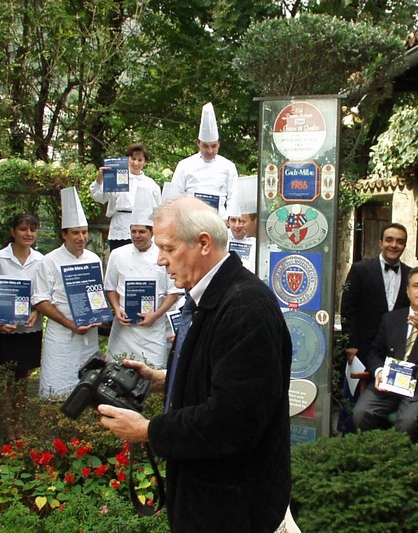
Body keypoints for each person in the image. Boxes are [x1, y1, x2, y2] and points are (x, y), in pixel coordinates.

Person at [98, 197, 292, 532]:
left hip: (232, 507)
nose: (160, 260)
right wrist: (165, 379)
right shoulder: (214, 296)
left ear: (203, 243)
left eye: (168, 248)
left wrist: (147, 431)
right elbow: (221, 372)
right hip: (209, 496)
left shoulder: (245, 308)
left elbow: (232, 421)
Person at [352, 266, 418, 443]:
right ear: (407, 291)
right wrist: (379, 372)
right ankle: (375, 459)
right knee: (361, 413)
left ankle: (404, 467)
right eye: (416, 285)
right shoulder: (391, 318)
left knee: (408, 421)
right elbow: (374, 352)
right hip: (389, 384)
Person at [337, 223, 411, 432]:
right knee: (354, 402)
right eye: (389, 240)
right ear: (380, 242)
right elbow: (347, 309)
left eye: (400, 241)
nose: (394, 245)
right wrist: (350, 345)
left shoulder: (410, 275)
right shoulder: (360, 269)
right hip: (361, 347)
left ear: (404, 245)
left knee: (385, 402)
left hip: (394, 352)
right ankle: (349, 446)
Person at [32, 188, 104, 397]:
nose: (81, 237)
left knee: (87, 389)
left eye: (84, 232)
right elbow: (40, 300)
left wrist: (98, 316)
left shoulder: (94, 259)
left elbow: (96, 295)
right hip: (62, 337)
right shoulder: (49, 261)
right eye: (75, 232)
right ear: (64, 234)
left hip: (89, 336)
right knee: (57, 389)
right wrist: (70, 324)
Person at [0, 213, 44, 438]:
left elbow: (42, 298)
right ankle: (8, 428)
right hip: (4, 332)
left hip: (29, 331)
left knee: (23, 380)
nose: (28, 234)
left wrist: (37, 312)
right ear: (13, 232)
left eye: (32, 230)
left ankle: (19, 425)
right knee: (6, 382)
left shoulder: (41, 261)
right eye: (23, 229)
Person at [103, 188, 181, 368]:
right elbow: (110, 288)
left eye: (141, 232)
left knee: (152, 377)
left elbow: (174, 292)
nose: (137, 236)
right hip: (123, 331)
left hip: (153, 331)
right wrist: (116, 309)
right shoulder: (117, 254)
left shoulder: (164, 254)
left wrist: (155, 315)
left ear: (151, 232)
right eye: (133, 231)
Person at [170, 103, 238, 219]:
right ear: (198, 143)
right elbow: (175, 195)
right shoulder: (184, 165)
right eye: (205, 146)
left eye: (213, 146)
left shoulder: (228, 166)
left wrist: (229, 218)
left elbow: (234, 196)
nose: (210, 150)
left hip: (219, 221)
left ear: (219, 144)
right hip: (190, 220)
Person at [89, 142, 162, 251]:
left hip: (143, 225)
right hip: (120, 224)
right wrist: (100, 180)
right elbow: (99, 196)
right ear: (127, 158)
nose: (136, 163)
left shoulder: (151, 184)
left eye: (140, 160)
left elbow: (158, 209)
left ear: (145, 162)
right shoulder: (117, 178)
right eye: (133, 159)